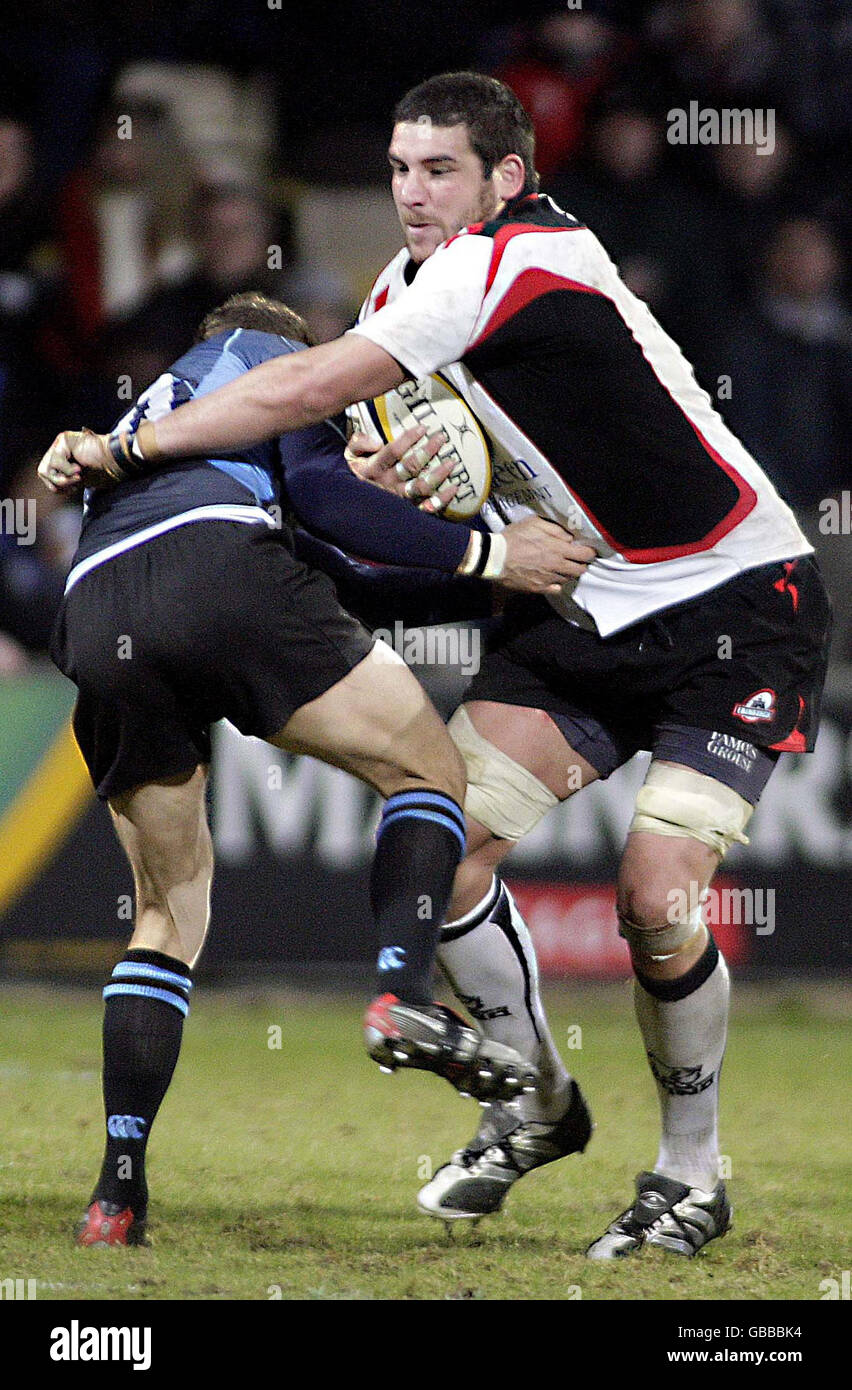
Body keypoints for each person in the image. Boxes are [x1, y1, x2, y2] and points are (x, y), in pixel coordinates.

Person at [42, 74, 832, 1262]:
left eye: (440, 170)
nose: (412, 193)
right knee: (442, 838)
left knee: (654, 898)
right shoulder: (400, 291)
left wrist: (131, 440)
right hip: (579, 601)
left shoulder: (521, 256)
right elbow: (386, 466)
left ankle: (688, 1169)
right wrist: (420, 487)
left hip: (736, 596)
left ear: (505, 178)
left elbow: (304, 387)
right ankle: (534, 1099)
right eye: (402, 169)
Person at [40, 289, 593, 1247]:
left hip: (95, 608)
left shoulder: (154, 425)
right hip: (218, 567)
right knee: (429, 776)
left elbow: (338, 580)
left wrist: (483, 584)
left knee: (169, 915)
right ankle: (398, 994)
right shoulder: (263, 353)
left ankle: (116, 1195)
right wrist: (488, 548)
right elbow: (321, 518)